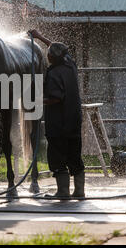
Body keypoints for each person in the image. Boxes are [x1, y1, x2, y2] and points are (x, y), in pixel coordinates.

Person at [28, 29, 85, 199]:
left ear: (52, 58)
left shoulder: (53, 73)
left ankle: (62, 192)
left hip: (59, 124)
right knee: (74, 155)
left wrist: (38, 101)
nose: (47, 56)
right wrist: (40, 37)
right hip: (74, 121)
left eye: (48, 54)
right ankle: (79, 191)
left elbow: (56, 98)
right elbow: (59, 49)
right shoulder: (70, 66)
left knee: (57, 156)